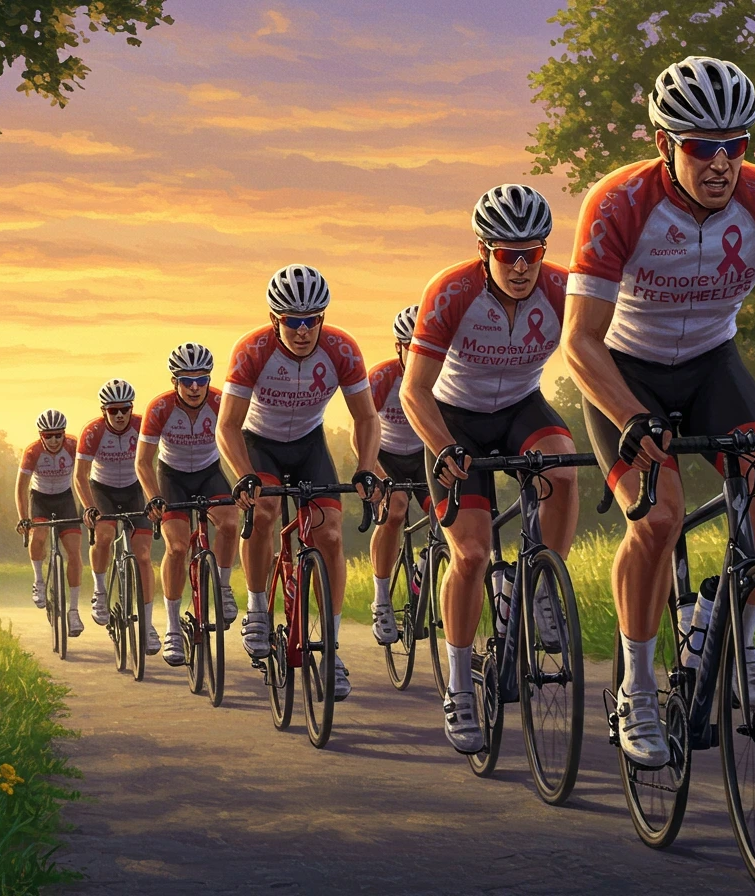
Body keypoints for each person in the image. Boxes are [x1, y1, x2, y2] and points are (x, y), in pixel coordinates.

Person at [562, 56, 755, 767]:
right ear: (664, 143)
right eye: (703, 146)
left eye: (736, 145)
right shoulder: (618, 202)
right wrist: (632, 418)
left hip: (712, 365)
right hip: (625, 372)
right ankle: (637, 688)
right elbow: (578, 341)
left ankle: (738, 630)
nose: (722, 162)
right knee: (662, 516)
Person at [400, 184, 579, 754]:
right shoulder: (451, 290)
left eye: (533, 252)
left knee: (566, 470)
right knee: (472, 554)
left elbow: (599, 352)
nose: (523, 266)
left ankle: (540, 591)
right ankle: (457, 686)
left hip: (522, 406)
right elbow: (414, 391)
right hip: (455, 420)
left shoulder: (564, 288)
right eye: (508, 254)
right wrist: (444, 447)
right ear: (485, 251)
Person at [216, 264, 382, 702]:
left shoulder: (342, 348)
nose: (304, 330)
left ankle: (331, 650)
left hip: (309, 444)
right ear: (276, 319)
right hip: (260, 445)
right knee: (265, 510)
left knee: (328, 532)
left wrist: (366, 465)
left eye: (312, 320)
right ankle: (256, 609)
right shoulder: (252, 349)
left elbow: (366, 416)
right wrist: (244, 475)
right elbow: (227, 426)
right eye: (293, 320)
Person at [135, 343, 240, 667]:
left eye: (201, 379)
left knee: (230, 523)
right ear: (174, 381)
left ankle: (222, 588)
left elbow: (241, 438)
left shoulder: (221, 402)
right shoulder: (160, 408)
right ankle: (171, 627)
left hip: (209, 473)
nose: (195, 387)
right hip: (172, 477)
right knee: (178, 548)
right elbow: (143, 462)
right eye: (186, 380)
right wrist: (154, 496)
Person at [73, 378, 159, 655]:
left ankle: (147, 625)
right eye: (113, 410)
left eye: (124, 409)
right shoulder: (93, 432)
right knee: (105, 536)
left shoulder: (141, 425)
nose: (120, 415)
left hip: (135, 489)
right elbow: (80, 476)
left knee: (143, 555)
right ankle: (99, 591)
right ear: (104, 411)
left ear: (131, 408)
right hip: (103, 490)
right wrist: (88, 506)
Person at [366, 305, 432, 645]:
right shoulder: (381, 377)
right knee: (395, 509)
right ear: (399, 348)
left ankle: (425, 565)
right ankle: (381, 599)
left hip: (425, 455)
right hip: (387, 454)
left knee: (450, 515)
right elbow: (362, 427)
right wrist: (373, 473)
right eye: (412, 347)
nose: (420, 354)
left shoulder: (443, 373)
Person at [15, 409, 84, 636]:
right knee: (39, 536)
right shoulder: (33, 451)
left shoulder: (74, 445)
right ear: (41, 436)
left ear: (64, 433)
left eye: (58, 435)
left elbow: (86, 475)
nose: (54, 440)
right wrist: (24, 518)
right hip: (41, 499)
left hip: (64, 498)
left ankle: (73, 611)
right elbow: (21, 488)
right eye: (48, 436)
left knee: (74, 552)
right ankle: (39, 581)